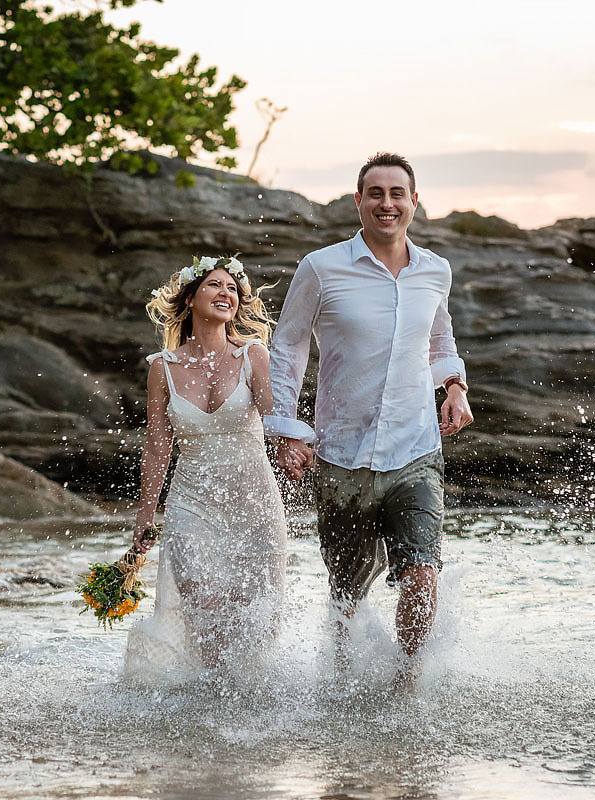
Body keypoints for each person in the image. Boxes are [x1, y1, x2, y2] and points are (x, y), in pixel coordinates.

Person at [265, 152, 474, 674]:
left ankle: (407, 688)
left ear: (414, 202)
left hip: (417, 448)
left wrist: (454, 385)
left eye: (397, 193)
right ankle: (340, 680)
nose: (387, 203)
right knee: (347, 593)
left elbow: (439, 337)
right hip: (341, 455)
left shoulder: (435, 271)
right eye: (376, 194)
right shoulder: (321, 267)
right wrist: (289, 432)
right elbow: (288, 350)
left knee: (422, 575)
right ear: (359, 202)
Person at [124, 256, 288, 677]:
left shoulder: (253, 356)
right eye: (215, 285)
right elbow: (158, 448)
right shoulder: (163, 367)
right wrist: (145, 516)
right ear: (191, 298)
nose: (226, 293)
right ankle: (214, 705)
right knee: (205, 608)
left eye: (232, 288)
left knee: (255, 623)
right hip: (191, 506)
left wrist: (294, 448)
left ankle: (249, 703)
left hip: (254, 505)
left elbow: (274, 420)